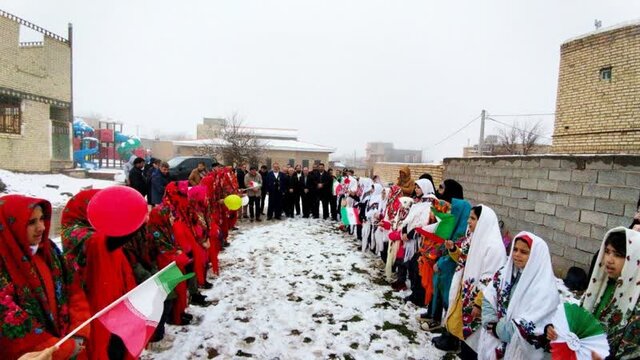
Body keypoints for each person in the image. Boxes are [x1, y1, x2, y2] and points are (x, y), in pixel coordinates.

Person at [0, 195, 91, 360]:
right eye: (31, 222)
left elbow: (74, 290)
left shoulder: (50, 251)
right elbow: (10, 324)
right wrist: (59, 348)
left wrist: (79, 332)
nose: (41, 227)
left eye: (42, 219)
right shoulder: (4, 263)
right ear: (10, 225)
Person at [547, 227, 640, 359]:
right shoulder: (599, 287)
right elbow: (579, 323)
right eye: (607, 252)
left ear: (634, 259)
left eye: (618, 255)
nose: (609, 259)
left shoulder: (636, 301)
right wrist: (558, 332)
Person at [433, 205, 507, 359]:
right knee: (465, 339)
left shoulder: (494, 247)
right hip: (467, 295)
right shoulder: (473, 239)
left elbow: (492, 279)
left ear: (483, 221)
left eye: (473, 218)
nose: (468, 222)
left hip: (478, 302)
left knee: (475, 343)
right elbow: (464, 260)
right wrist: (453, 249)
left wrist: (479, 302)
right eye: (469, 218)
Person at [479, 232, 559, 359]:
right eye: (515, 249)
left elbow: (532, 323)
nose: (516, 254)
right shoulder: (504, 274)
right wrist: (490, 322)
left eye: (524, 252)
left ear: (535, 256)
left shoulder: (544, 289)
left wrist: (498, 330)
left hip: (521, 351)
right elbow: (489, 297)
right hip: (494, 342)